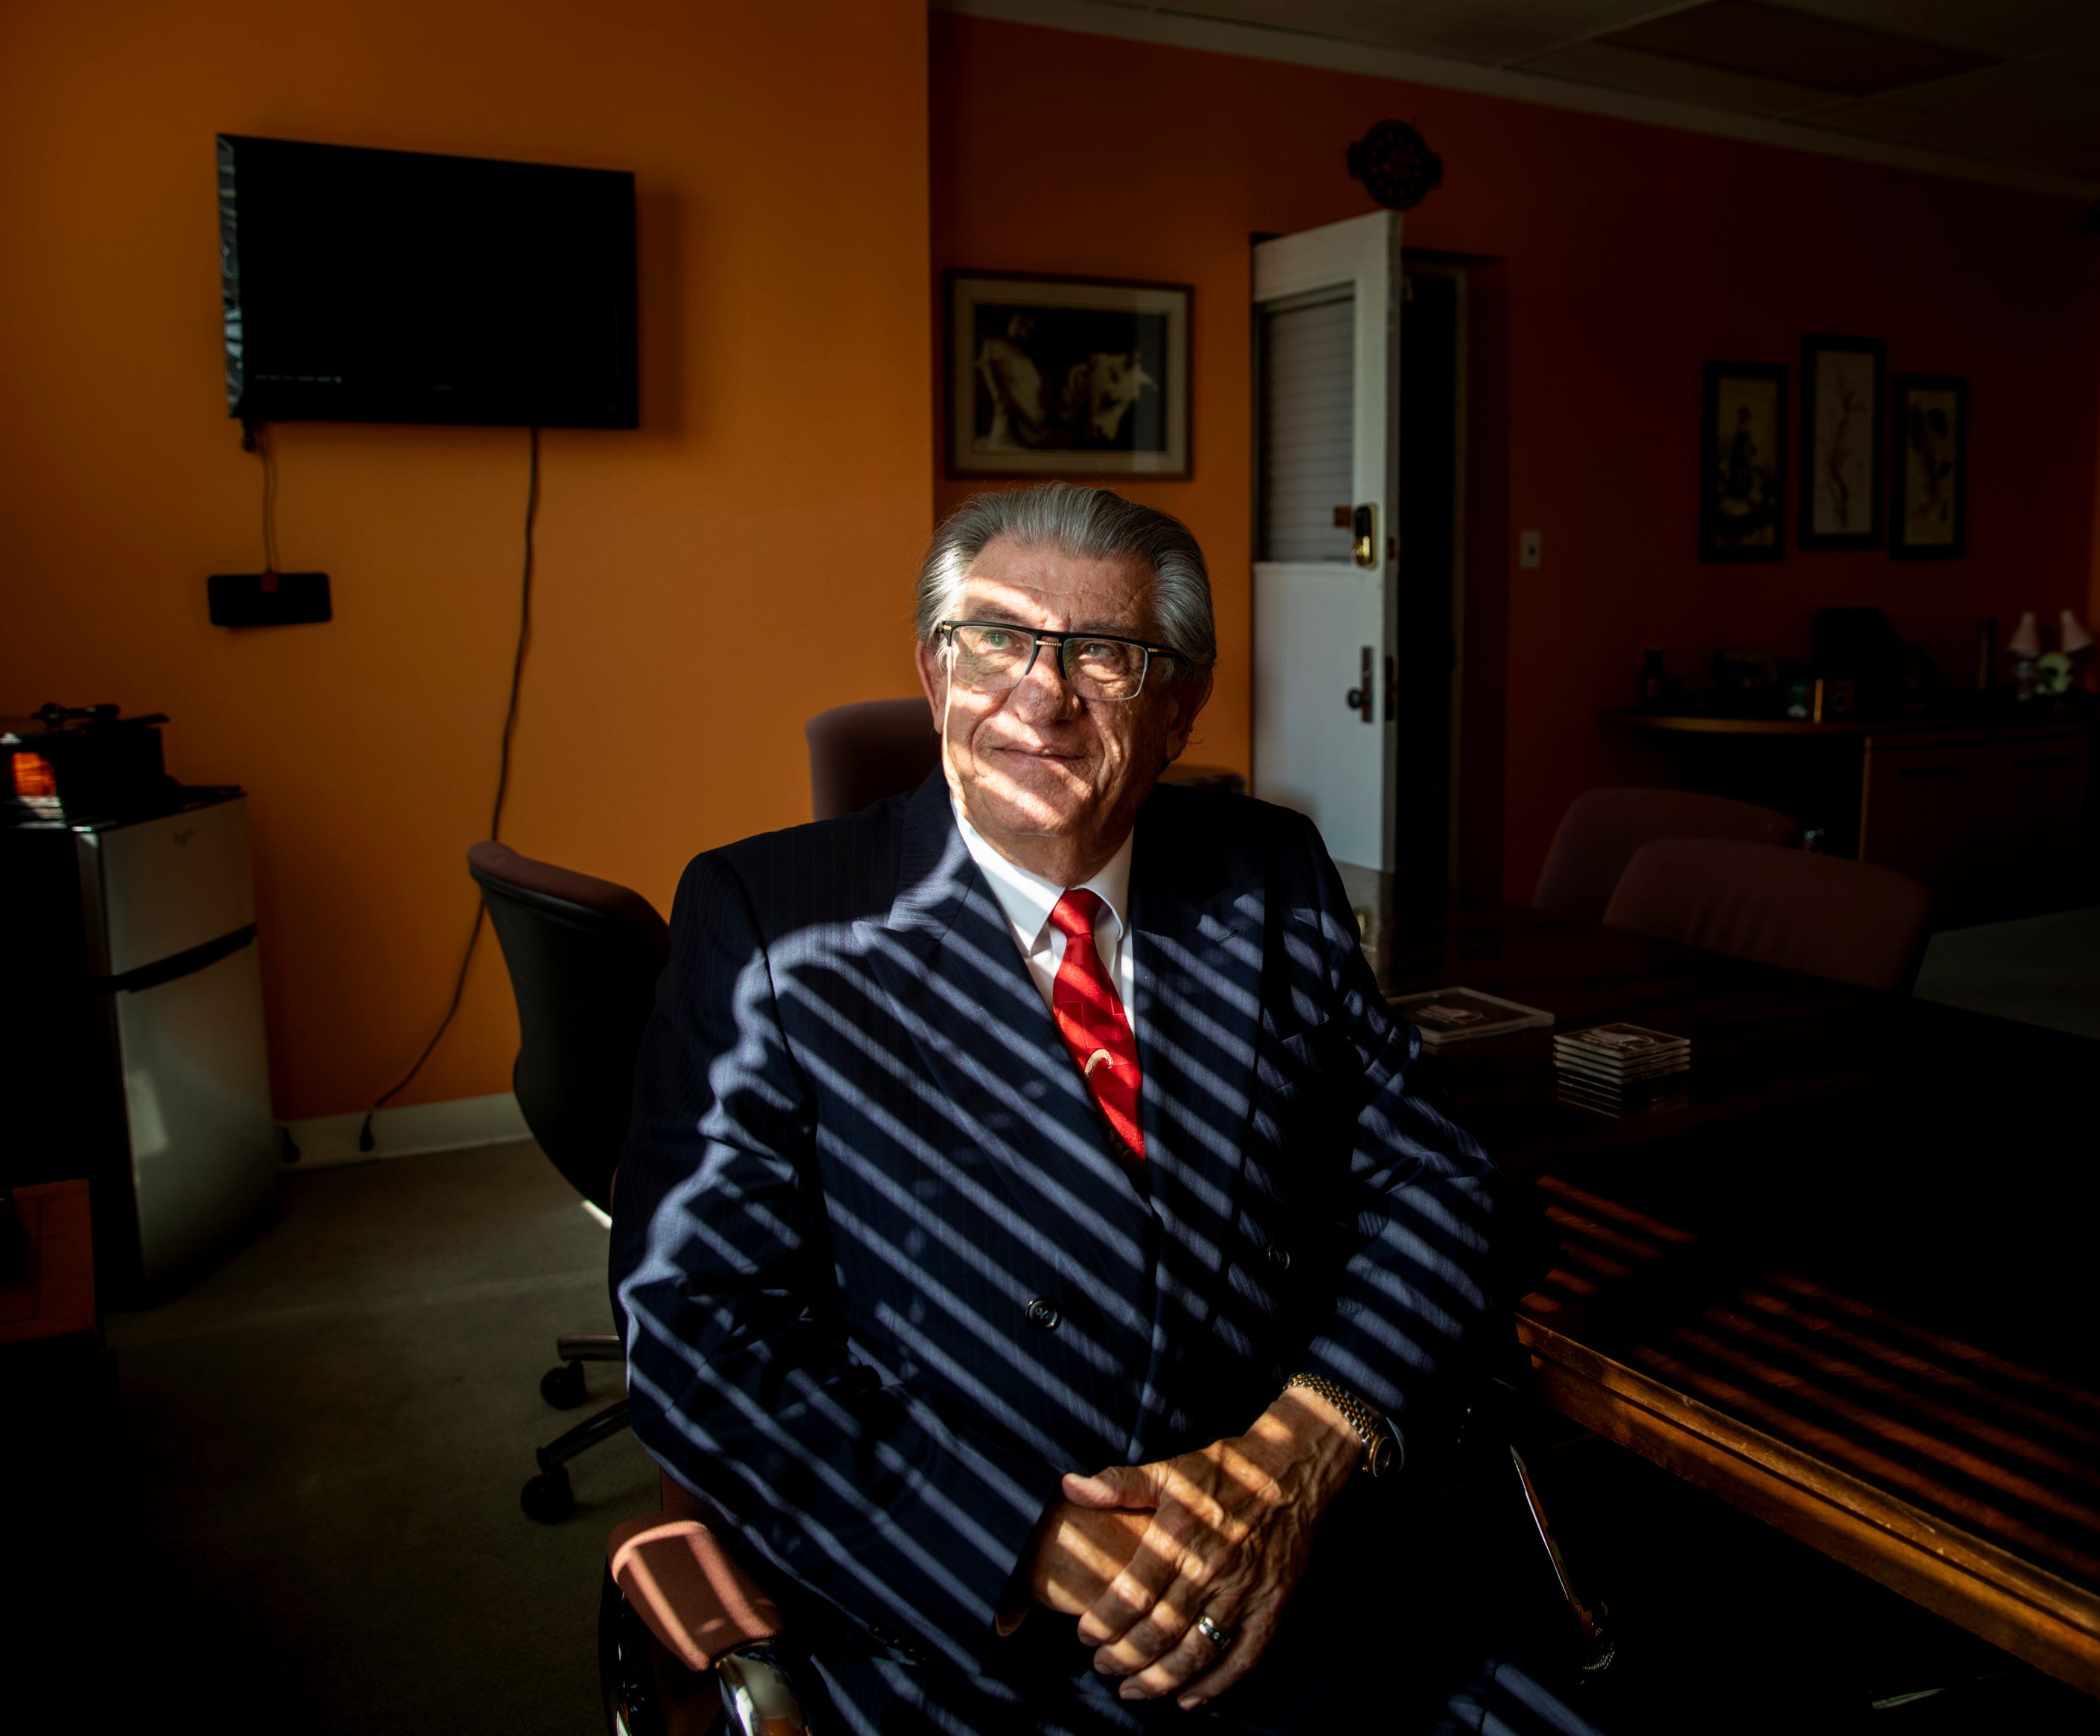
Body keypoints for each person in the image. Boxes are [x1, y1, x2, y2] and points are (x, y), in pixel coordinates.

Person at [611, 484, 1526, 1733]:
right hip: (976, 1637)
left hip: (1303, 1581)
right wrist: (1021, 1541)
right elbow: (695, 1326)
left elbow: (1443, 1181)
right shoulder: (772, 925)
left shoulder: (1272, 877)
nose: (1040, 696)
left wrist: (1308, 1445)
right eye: (995, 639)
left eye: (1105, 651)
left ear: (1179, 703)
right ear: (936, 673)